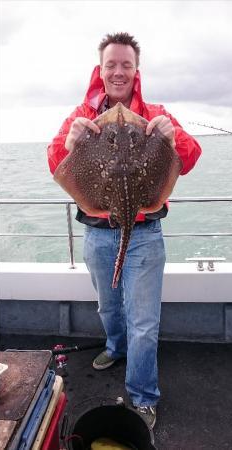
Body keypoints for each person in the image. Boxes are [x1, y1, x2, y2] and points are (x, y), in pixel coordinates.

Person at [47, 32, 202, 429]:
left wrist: (173, 137)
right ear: (100, 70)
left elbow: (189, 157)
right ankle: (116, 348)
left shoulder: (154, 113)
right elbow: (55, 163)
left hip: (145, 234)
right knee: (108, 307)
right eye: (111, 65)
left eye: (126, 65)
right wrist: (69, 142)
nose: (118, 71)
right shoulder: (81, 113)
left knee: (145, 323)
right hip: (99, 232)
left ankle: (144, 395)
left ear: (136, 71)